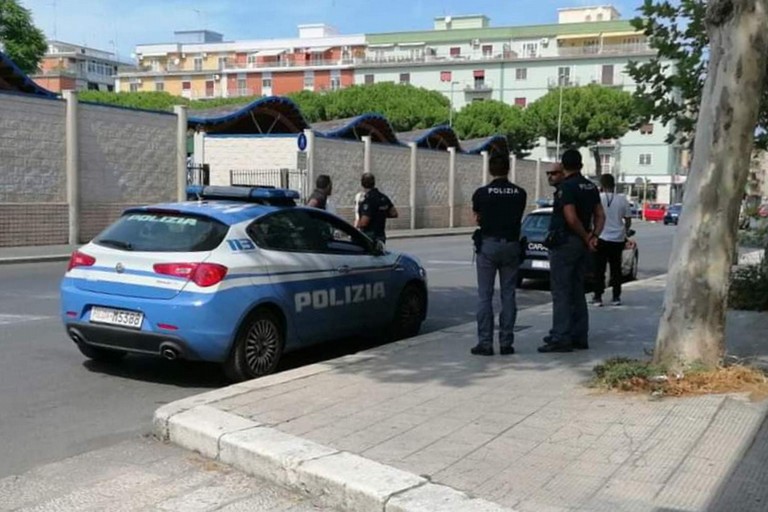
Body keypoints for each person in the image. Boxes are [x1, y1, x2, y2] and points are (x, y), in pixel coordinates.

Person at [539, 149, 605, 353]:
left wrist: (585, 236)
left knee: (560, 291)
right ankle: (579, 335)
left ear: (563, 166)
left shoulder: (566, 187)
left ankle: (560, 337)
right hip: (582, 246)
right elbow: (600, 215)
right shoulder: (591, 186)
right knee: (577, 290)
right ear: (581, 165)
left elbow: (570, 216)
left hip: (565, 243)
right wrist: (593, 236)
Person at [469, 154, 528, 356]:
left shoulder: (481, 193)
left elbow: (477, 218)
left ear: (490, 169)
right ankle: (506, 342)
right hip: (512, 245)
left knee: (485, 295)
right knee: (508, 294)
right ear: (508, 168)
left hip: (489, 245)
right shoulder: (520, 193)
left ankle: (485, 343)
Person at [592, 174, 631, 307]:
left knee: (599, 268)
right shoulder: (622, 200)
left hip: (601, 237)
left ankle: (598, 297)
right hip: (618, 239)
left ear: (601, 186)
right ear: (614, 185)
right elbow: (628, 219)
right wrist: (624, 231)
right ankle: (616, 296)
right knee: (616, 269)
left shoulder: (598, 199)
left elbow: (594, 217)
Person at [355, 173, 398, 243]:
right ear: (374, 183)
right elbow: (394, 213)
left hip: (370, 237)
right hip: (381, 236)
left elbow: (364, 222)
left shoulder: (368, 200)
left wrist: (355, 226)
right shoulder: (383, 197)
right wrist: (381, 214)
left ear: (362, 184)